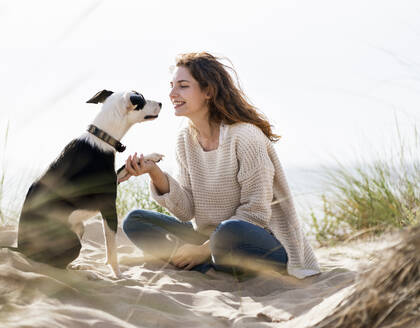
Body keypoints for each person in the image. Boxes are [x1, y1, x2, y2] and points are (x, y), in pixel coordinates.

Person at [120, 52, 320, 279]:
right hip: (210, 238)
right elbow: (186, 211)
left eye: (183, 86)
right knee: (135, 220)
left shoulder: (245, 137)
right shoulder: (185, 138)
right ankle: (202, 260)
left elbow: (256, 214)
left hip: (258, 241)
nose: (172, 94)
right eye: (172, 85)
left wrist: (202, 250)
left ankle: (202, 259)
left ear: (209, 91)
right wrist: (154, 172)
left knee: (229, 231)